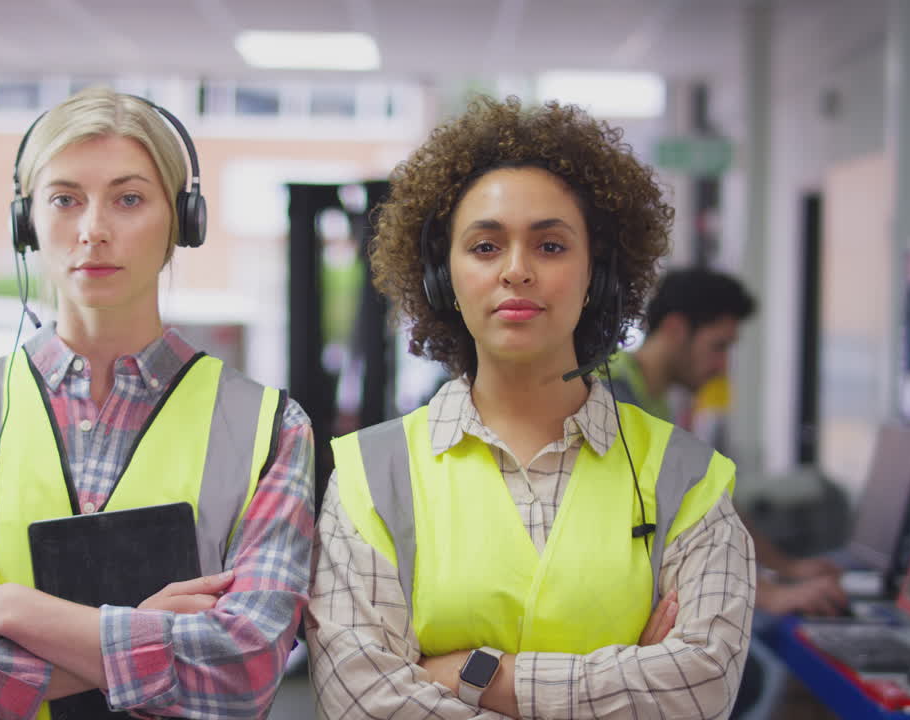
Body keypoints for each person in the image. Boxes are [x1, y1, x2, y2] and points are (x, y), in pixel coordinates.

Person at [0, 87, 314, 720]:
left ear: (181, 220)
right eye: (65, 199)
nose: (93, 230)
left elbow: (242, 673)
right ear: (27, 221)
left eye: (129, 199)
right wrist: (145, 643)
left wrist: (14, 609)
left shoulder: (271, 429)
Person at [307, 96, 755, 719]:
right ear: (444, 278)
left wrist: (468, 676)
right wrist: (627, 679)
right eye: (486, 247)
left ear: (597, 273)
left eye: (550, 246)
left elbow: (699, 689)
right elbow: (362, 703)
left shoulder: (690, 479)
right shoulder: (369, 476)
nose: (517, 271)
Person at [604, 268, 849, 618]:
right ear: (675, 329)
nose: (721, 367)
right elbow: (661, 524)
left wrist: (787, 568)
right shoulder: (616, 398)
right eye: (718, 347)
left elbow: (705, 501)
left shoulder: (653, 401)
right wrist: (768, 594)